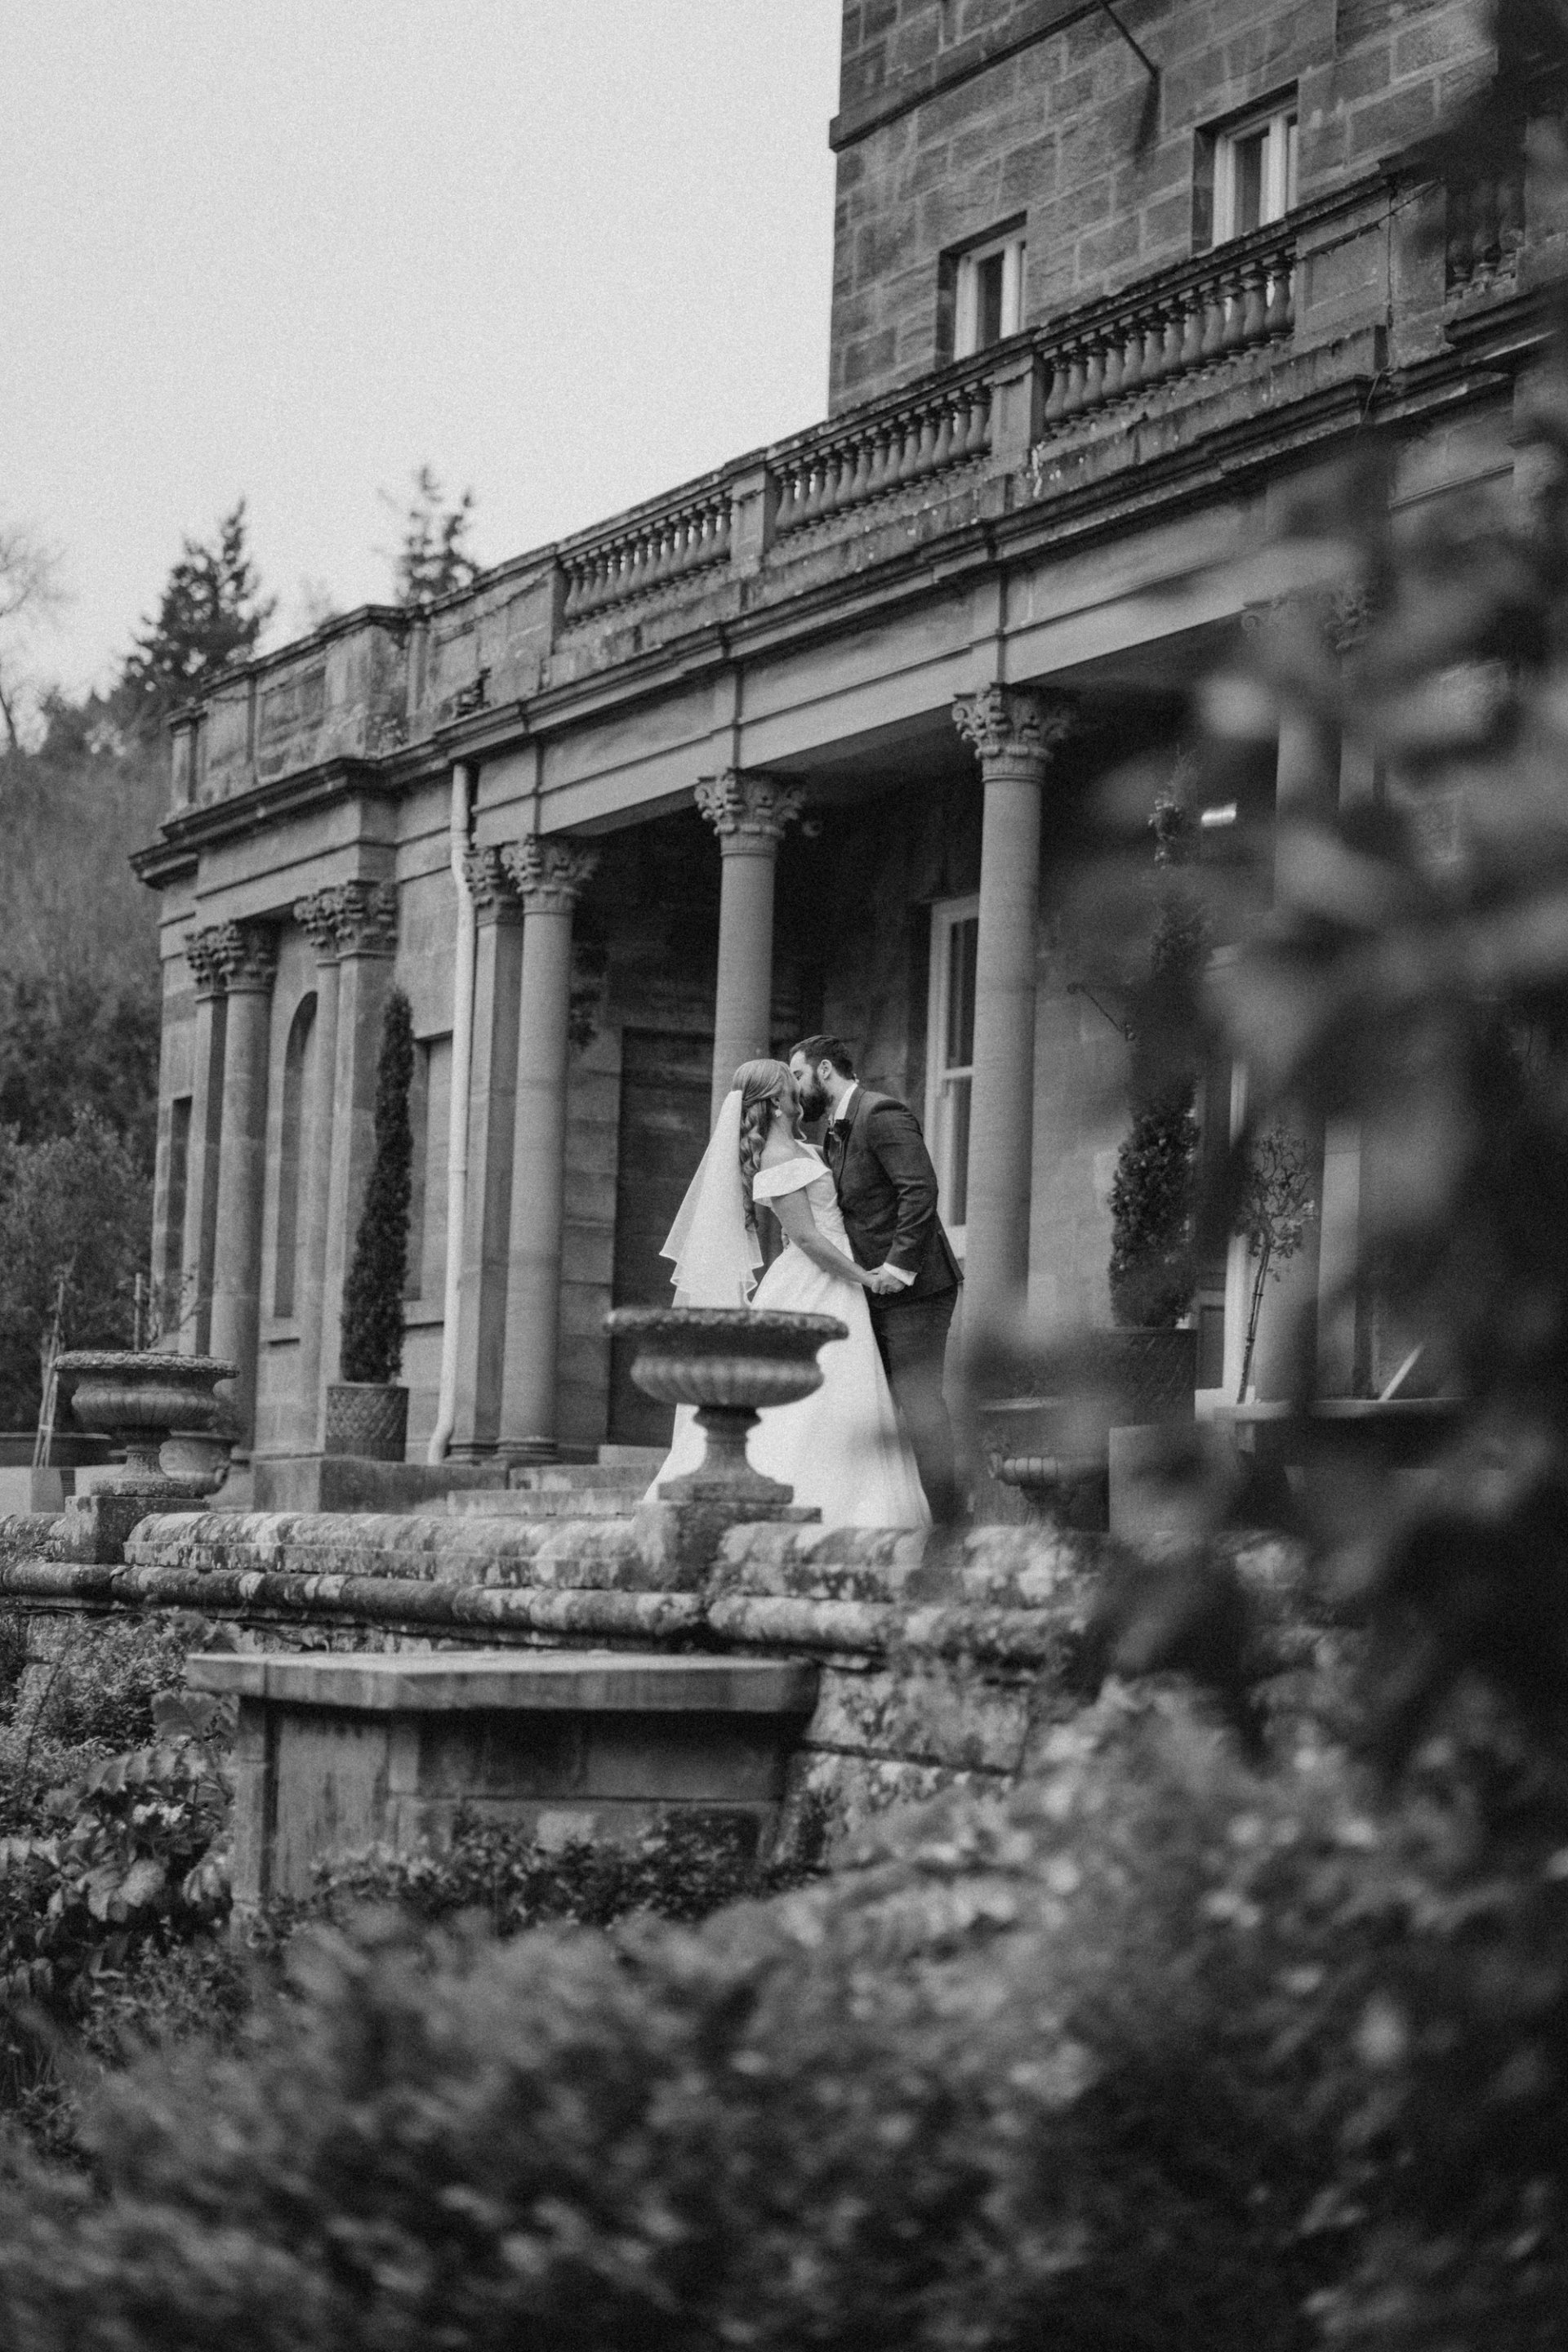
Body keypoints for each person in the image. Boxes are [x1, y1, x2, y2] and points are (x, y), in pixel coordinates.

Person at [647, 1059, 929, 1530]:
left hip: (833, 1275)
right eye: (790, 1081)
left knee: (842, 1390)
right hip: (818, 1282)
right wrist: (866, 1277)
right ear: (776, 1101)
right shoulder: (777, 1158)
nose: (799, 1087)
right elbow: (808, 1238)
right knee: (820, 1387)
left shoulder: (804, 1148)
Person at [788, 1035, 963, 1524]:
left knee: (919, 1404)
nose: (795, 1086)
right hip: (871, 1289)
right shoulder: (834, 1130)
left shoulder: (880, 1113)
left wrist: (898, 1267)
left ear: (824, 1070)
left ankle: (951, 1524)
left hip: (917, 1289)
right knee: (880, 1408)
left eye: (798, 1075)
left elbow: (919, 1190)